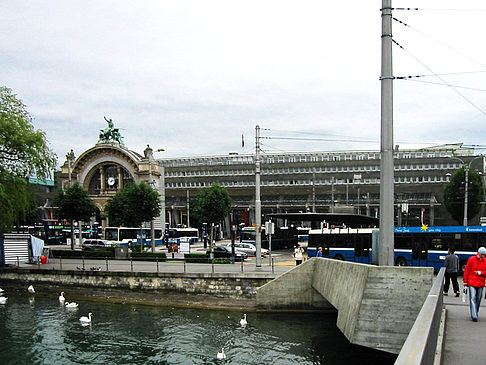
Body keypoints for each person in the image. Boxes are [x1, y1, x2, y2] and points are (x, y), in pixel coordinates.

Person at [463, 246, 486, 322]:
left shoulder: (485, 261)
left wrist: (480, 273)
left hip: (480, 282)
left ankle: (475, 312)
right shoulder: (471, 260)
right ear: (478, 253)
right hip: (472, 282)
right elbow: (467, 270)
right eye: (482, 254)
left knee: (478, 299)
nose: (483, 256)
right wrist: (465, 281)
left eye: (484, 255)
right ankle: (474, 315)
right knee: (473, 298)